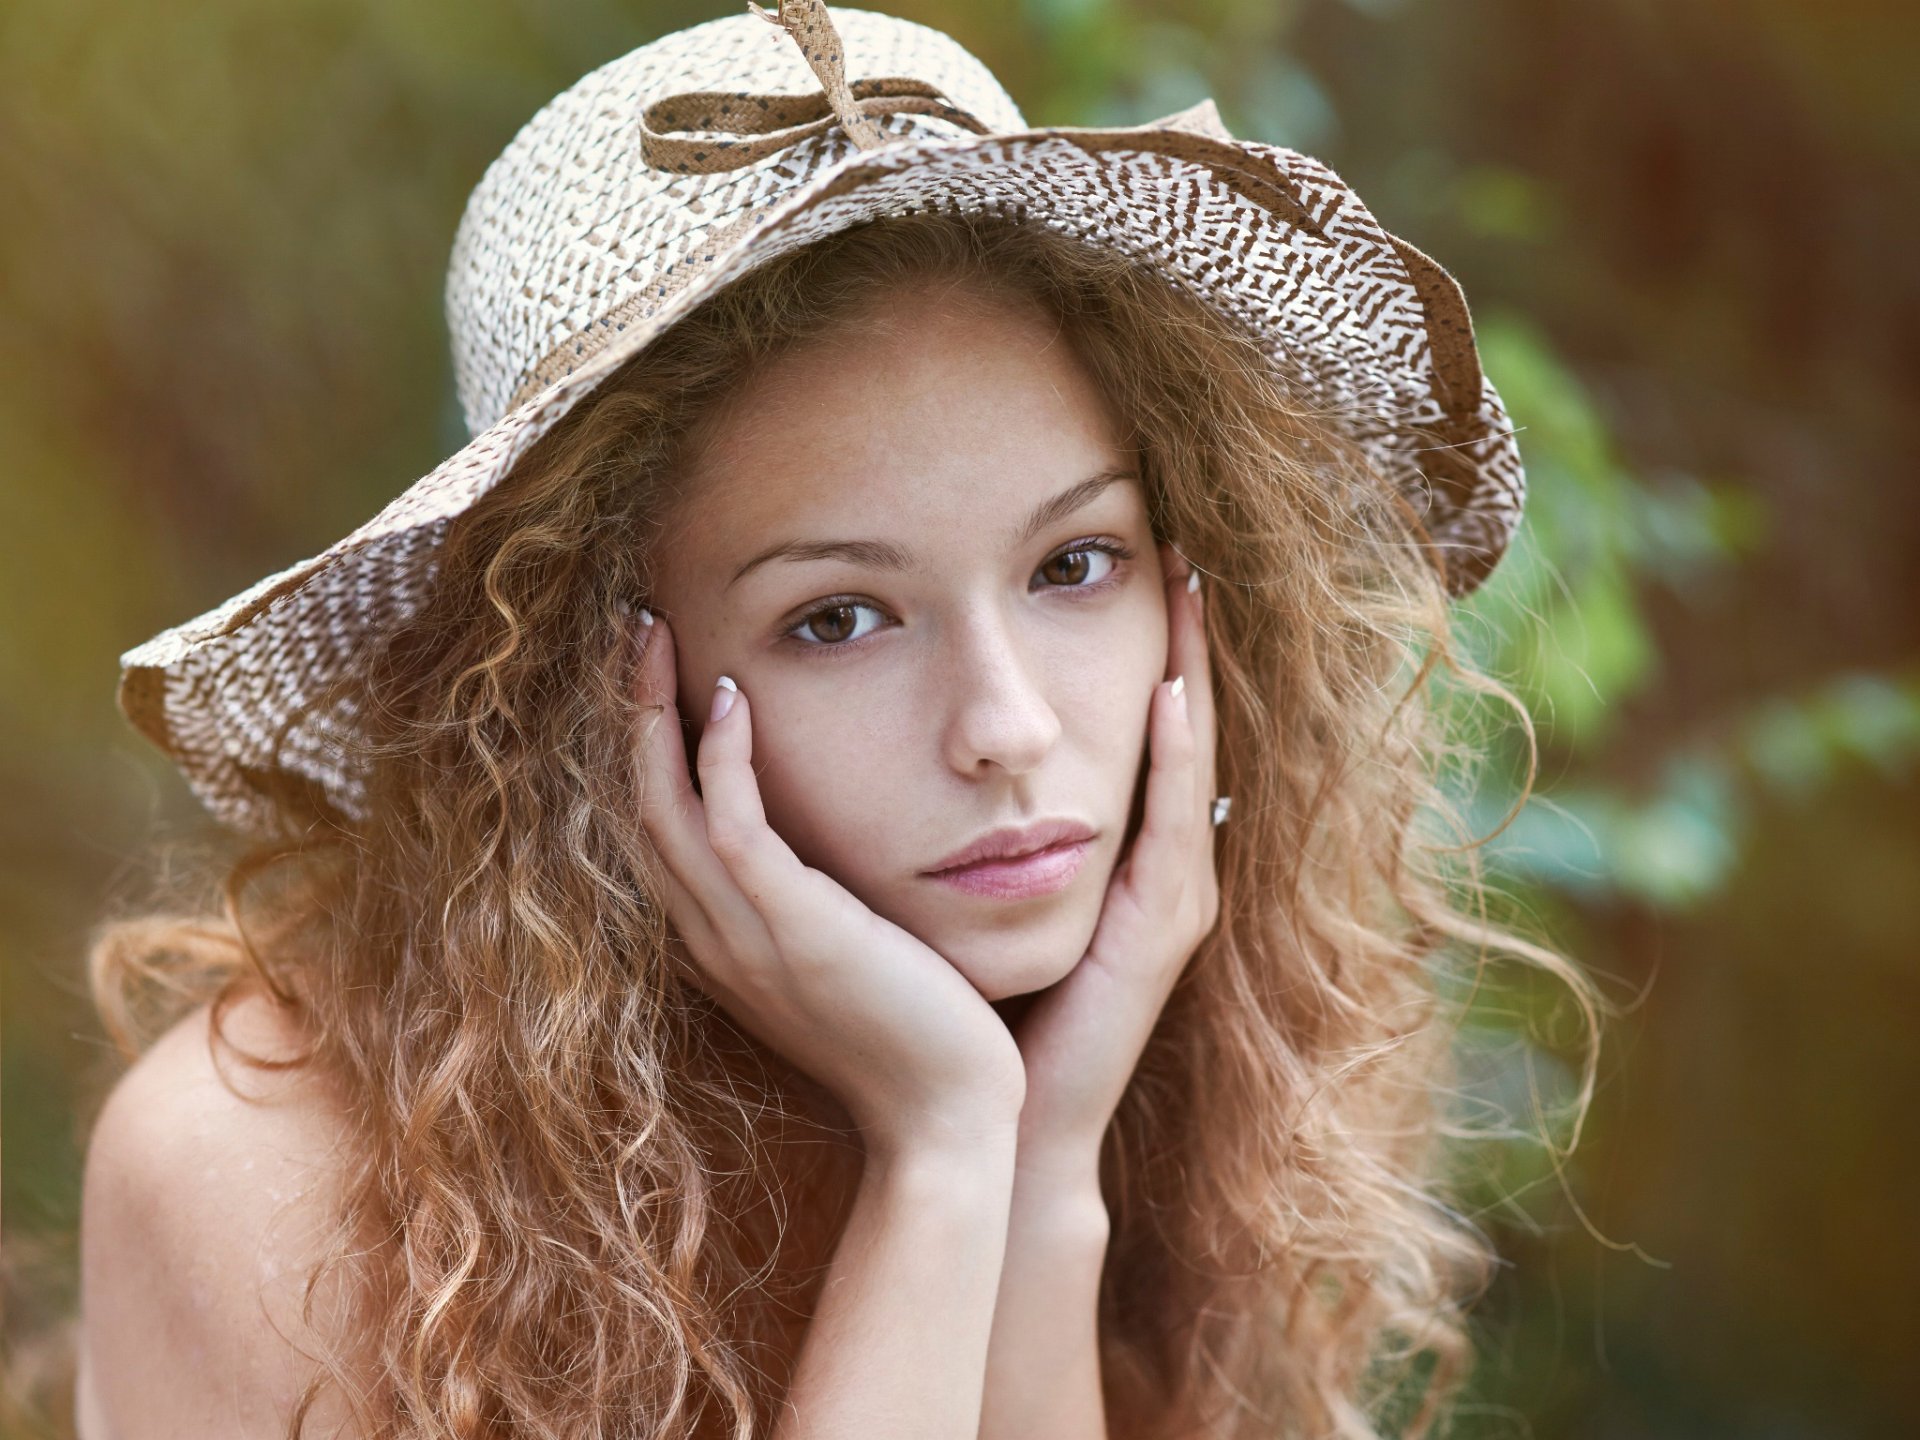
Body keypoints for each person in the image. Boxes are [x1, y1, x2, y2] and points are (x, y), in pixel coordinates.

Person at [74, 4, 1600, 1437]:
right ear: (589, 697)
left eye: (1076, 565)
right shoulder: (256, 1168)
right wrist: (944, 1155)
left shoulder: (1185, 1077)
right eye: (837, 620)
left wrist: (1043, 1159)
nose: (1005, 728)